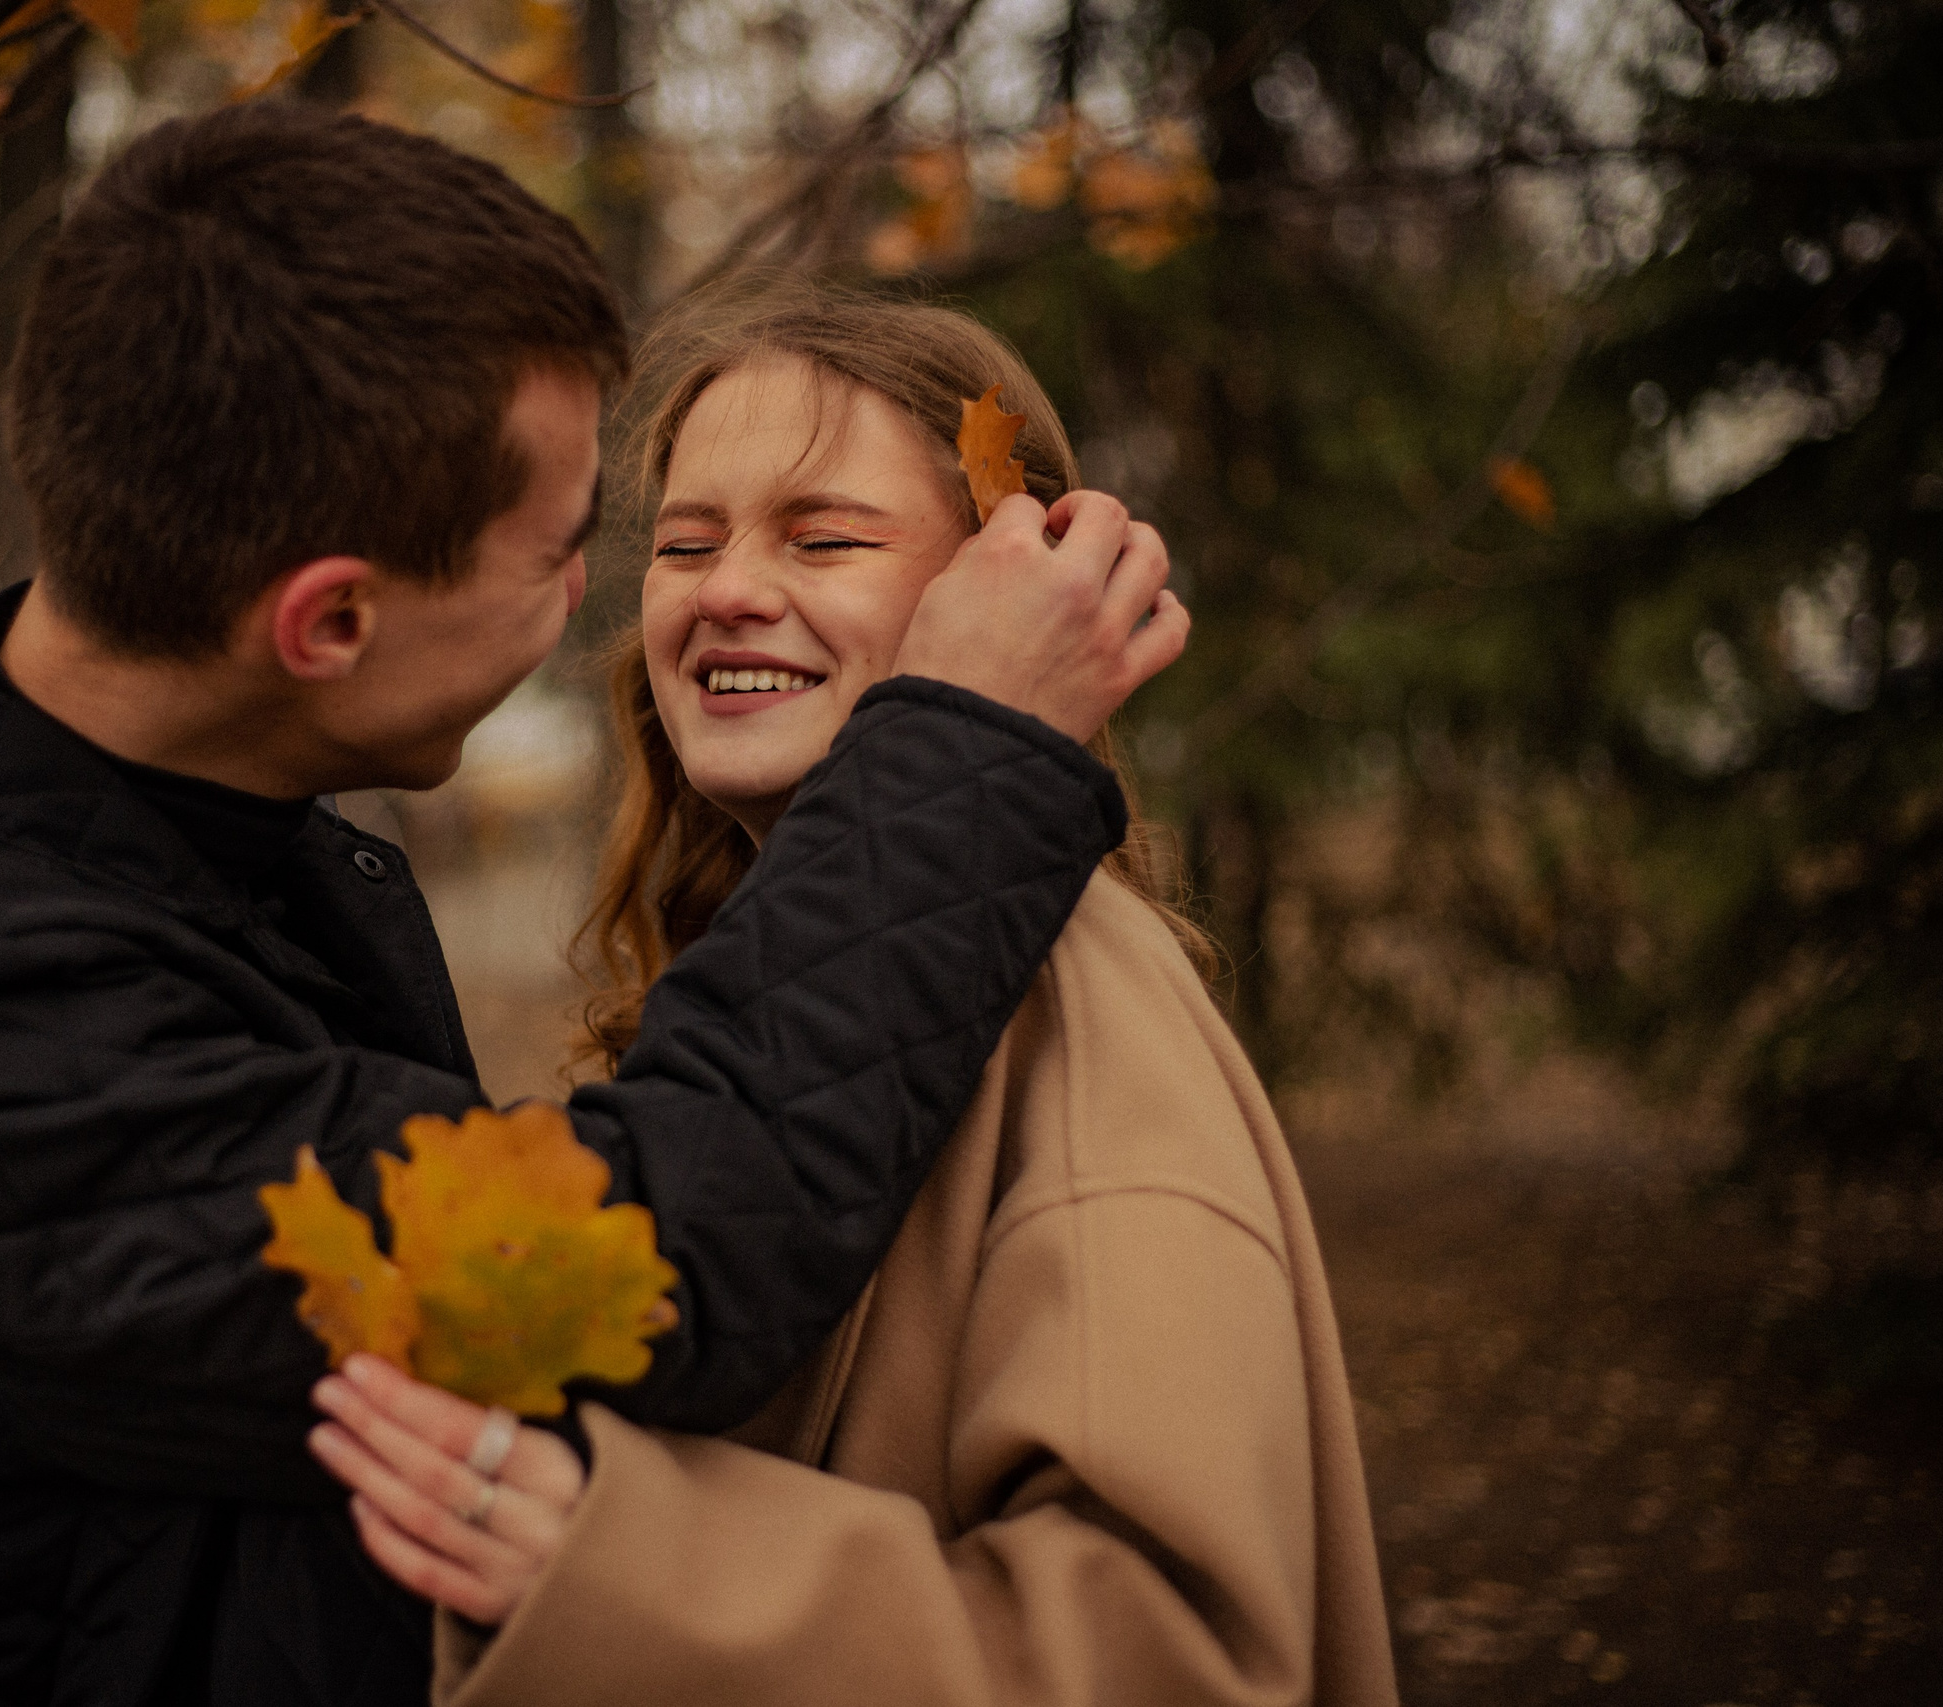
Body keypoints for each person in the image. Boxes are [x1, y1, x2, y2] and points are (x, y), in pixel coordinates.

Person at [0, 108, 1192, 1705]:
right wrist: (964, 754)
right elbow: (652, 1243)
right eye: (561, 554)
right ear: (330, 620)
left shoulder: (166, 837)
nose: (594, 601)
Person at [302, 291, 1397, 1707]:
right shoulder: (748, 994)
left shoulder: (1070, 1005)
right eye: (686, 545)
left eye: (824, 538)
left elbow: (1167, 1655)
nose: (724, 590)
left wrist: (622, 1564)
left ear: (1015, 592)